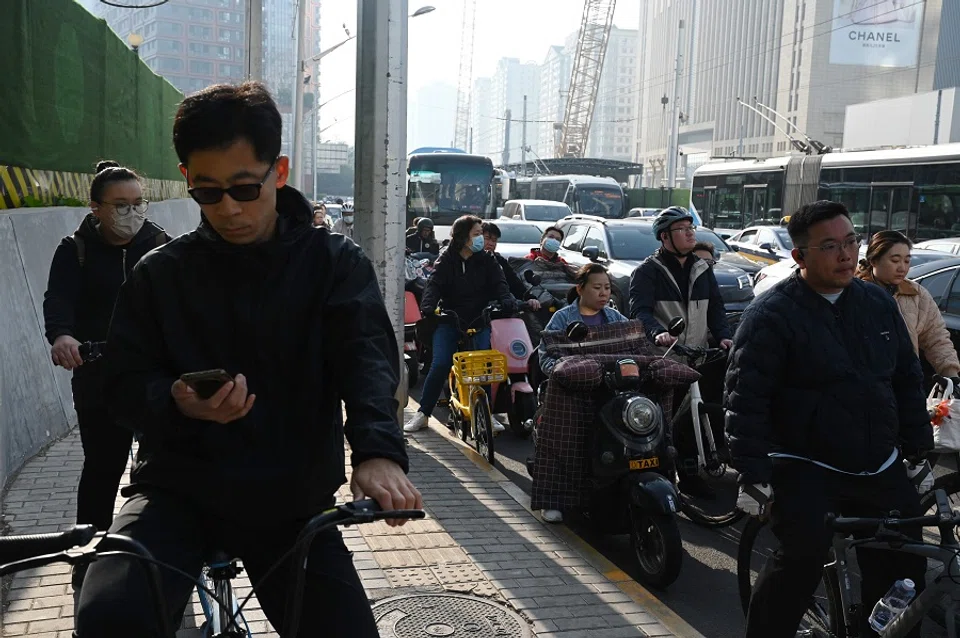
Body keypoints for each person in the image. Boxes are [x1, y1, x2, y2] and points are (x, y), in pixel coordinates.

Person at [75, 82, 420, 638]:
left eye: (243, 188)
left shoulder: (332, 264)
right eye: (207, 192)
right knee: (108, 617)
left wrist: (379, 453)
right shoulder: (159, 273)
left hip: (290, 502)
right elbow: (120, 383)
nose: (228, 209)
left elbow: (367, 362)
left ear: (278, 172)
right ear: (187, 178)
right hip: (176, 491)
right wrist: (174, 401)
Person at [726, 201, 932, 638]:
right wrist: (753, 473)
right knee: (801, 558)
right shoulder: (770, 316)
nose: (846, 255)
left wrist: (917, 447)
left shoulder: (877, 302)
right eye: (830, 246)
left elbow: (905, 377)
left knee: (906, 568)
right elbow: (746, 399)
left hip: (878, 461)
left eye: (851, 242)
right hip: (805, 464)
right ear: (799, 256)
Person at [43, 160, 170, 601]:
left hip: (154, 379)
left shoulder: (160, 245)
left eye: (138, 203)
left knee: (162, 473)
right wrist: (62, 336)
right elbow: (58, 298)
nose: (131, 212)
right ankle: (87, 558)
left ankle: (165, 565)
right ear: (95, 207)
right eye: (120, 205)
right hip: (98, 376)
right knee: (102, 469)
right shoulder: (74, 249)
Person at [628, 206, 732, 498]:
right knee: (662, 421)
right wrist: (656, 333)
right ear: (664, 237)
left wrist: (724, 336)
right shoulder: (647, 271)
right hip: (664, 358)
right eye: (682, 229)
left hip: (697, 355)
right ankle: (658, 479)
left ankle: (691, 476)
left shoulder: (702, 268)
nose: (690, 234)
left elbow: (717, 307)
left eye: (691, 228)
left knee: (693, 416)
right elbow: (640, 312)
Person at [404, 215, 515, 434]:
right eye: (476, 234)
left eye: (481, 234)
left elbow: (500, 283)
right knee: (440, 364)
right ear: (463, 237)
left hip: (478, 319)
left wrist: (507, 299)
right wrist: (428, 305)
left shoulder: (487, 260)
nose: (481, 239)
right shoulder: (447, 259)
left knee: (482, 368)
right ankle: (423, 413)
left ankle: (486, 413)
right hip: (449, 319)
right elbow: (434, 284)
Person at [856, 230, 960, 380]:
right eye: (895, 260)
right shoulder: (854, 293)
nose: (902, 268)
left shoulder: (916, 294)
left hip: (906, 384)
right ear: (874, 261)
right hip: (864, 384)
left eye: (906, 261)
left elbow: (936, 338)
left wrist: (951, 375)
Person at [537, 263, 628, 378]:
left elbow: (633, 343)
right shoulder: (562, 318)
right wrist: (563, 373)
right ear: (580, 289)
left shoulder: (615, 317)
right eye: (597, 288)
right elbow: (546, 356)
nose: (603, 293)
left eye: (607, 288)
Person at [482, 221, 540, 311]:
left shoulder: (499, 260)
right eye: (487, 238)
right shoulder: (468, 260)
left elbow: (514, 283)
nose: (491, 243)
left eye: (494, 240)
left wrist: (529, 298)